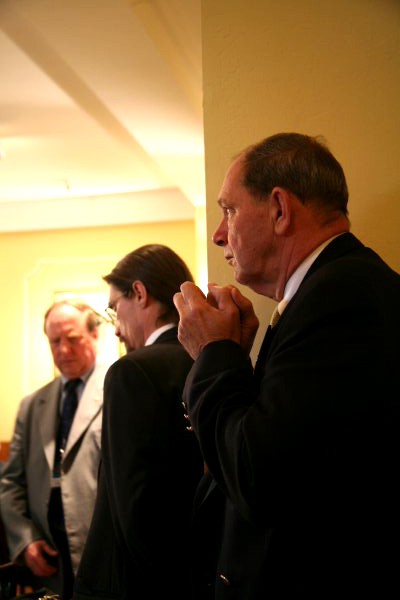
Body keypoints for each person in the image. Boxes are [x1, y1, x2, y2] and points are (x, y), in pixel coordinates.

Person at [173, 133, 400, 598]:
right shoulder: (330, 289)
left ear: (279, 209)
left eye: (229, 210)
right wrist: (231, 359)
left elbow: (261, 479)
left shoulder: (341, 296)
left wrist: (213, 353)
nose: (218, 234)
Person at [74, 244, 204, 600]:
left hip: (129, 584)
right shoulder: (209, 360)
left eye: (115, 308)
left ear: (140, 293)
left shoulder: (132, 371)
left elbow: (135, 509)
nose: (116, 330)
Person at [0, 300, 109, 599]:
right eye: (54, 341)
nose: (63, 350)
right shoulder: (32, 405)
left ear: (94, 335)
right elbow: (11, 483)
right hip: (51, 560)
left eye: (72, 339)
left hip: (102, 554)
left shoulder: (116, 390)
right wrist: (25, 540)